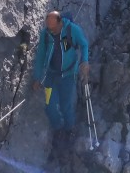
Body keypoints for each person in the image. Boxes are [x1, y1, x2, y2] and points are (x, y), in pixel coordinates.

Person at [32, 11, 89, 155]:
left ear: (60, 22)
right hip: (51, 76)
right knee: (49, 105)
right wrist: (37, 78)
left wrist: (84, 61)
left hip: (68, 75)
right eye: (48, 27)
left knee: (65, 105)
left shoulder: (71, 30)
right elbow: (40, 56)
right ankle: (58, 129)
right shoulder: (45, 34)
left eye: (53, 28)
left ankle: (69, 130)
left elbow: (83, 44)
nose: (50, 30)